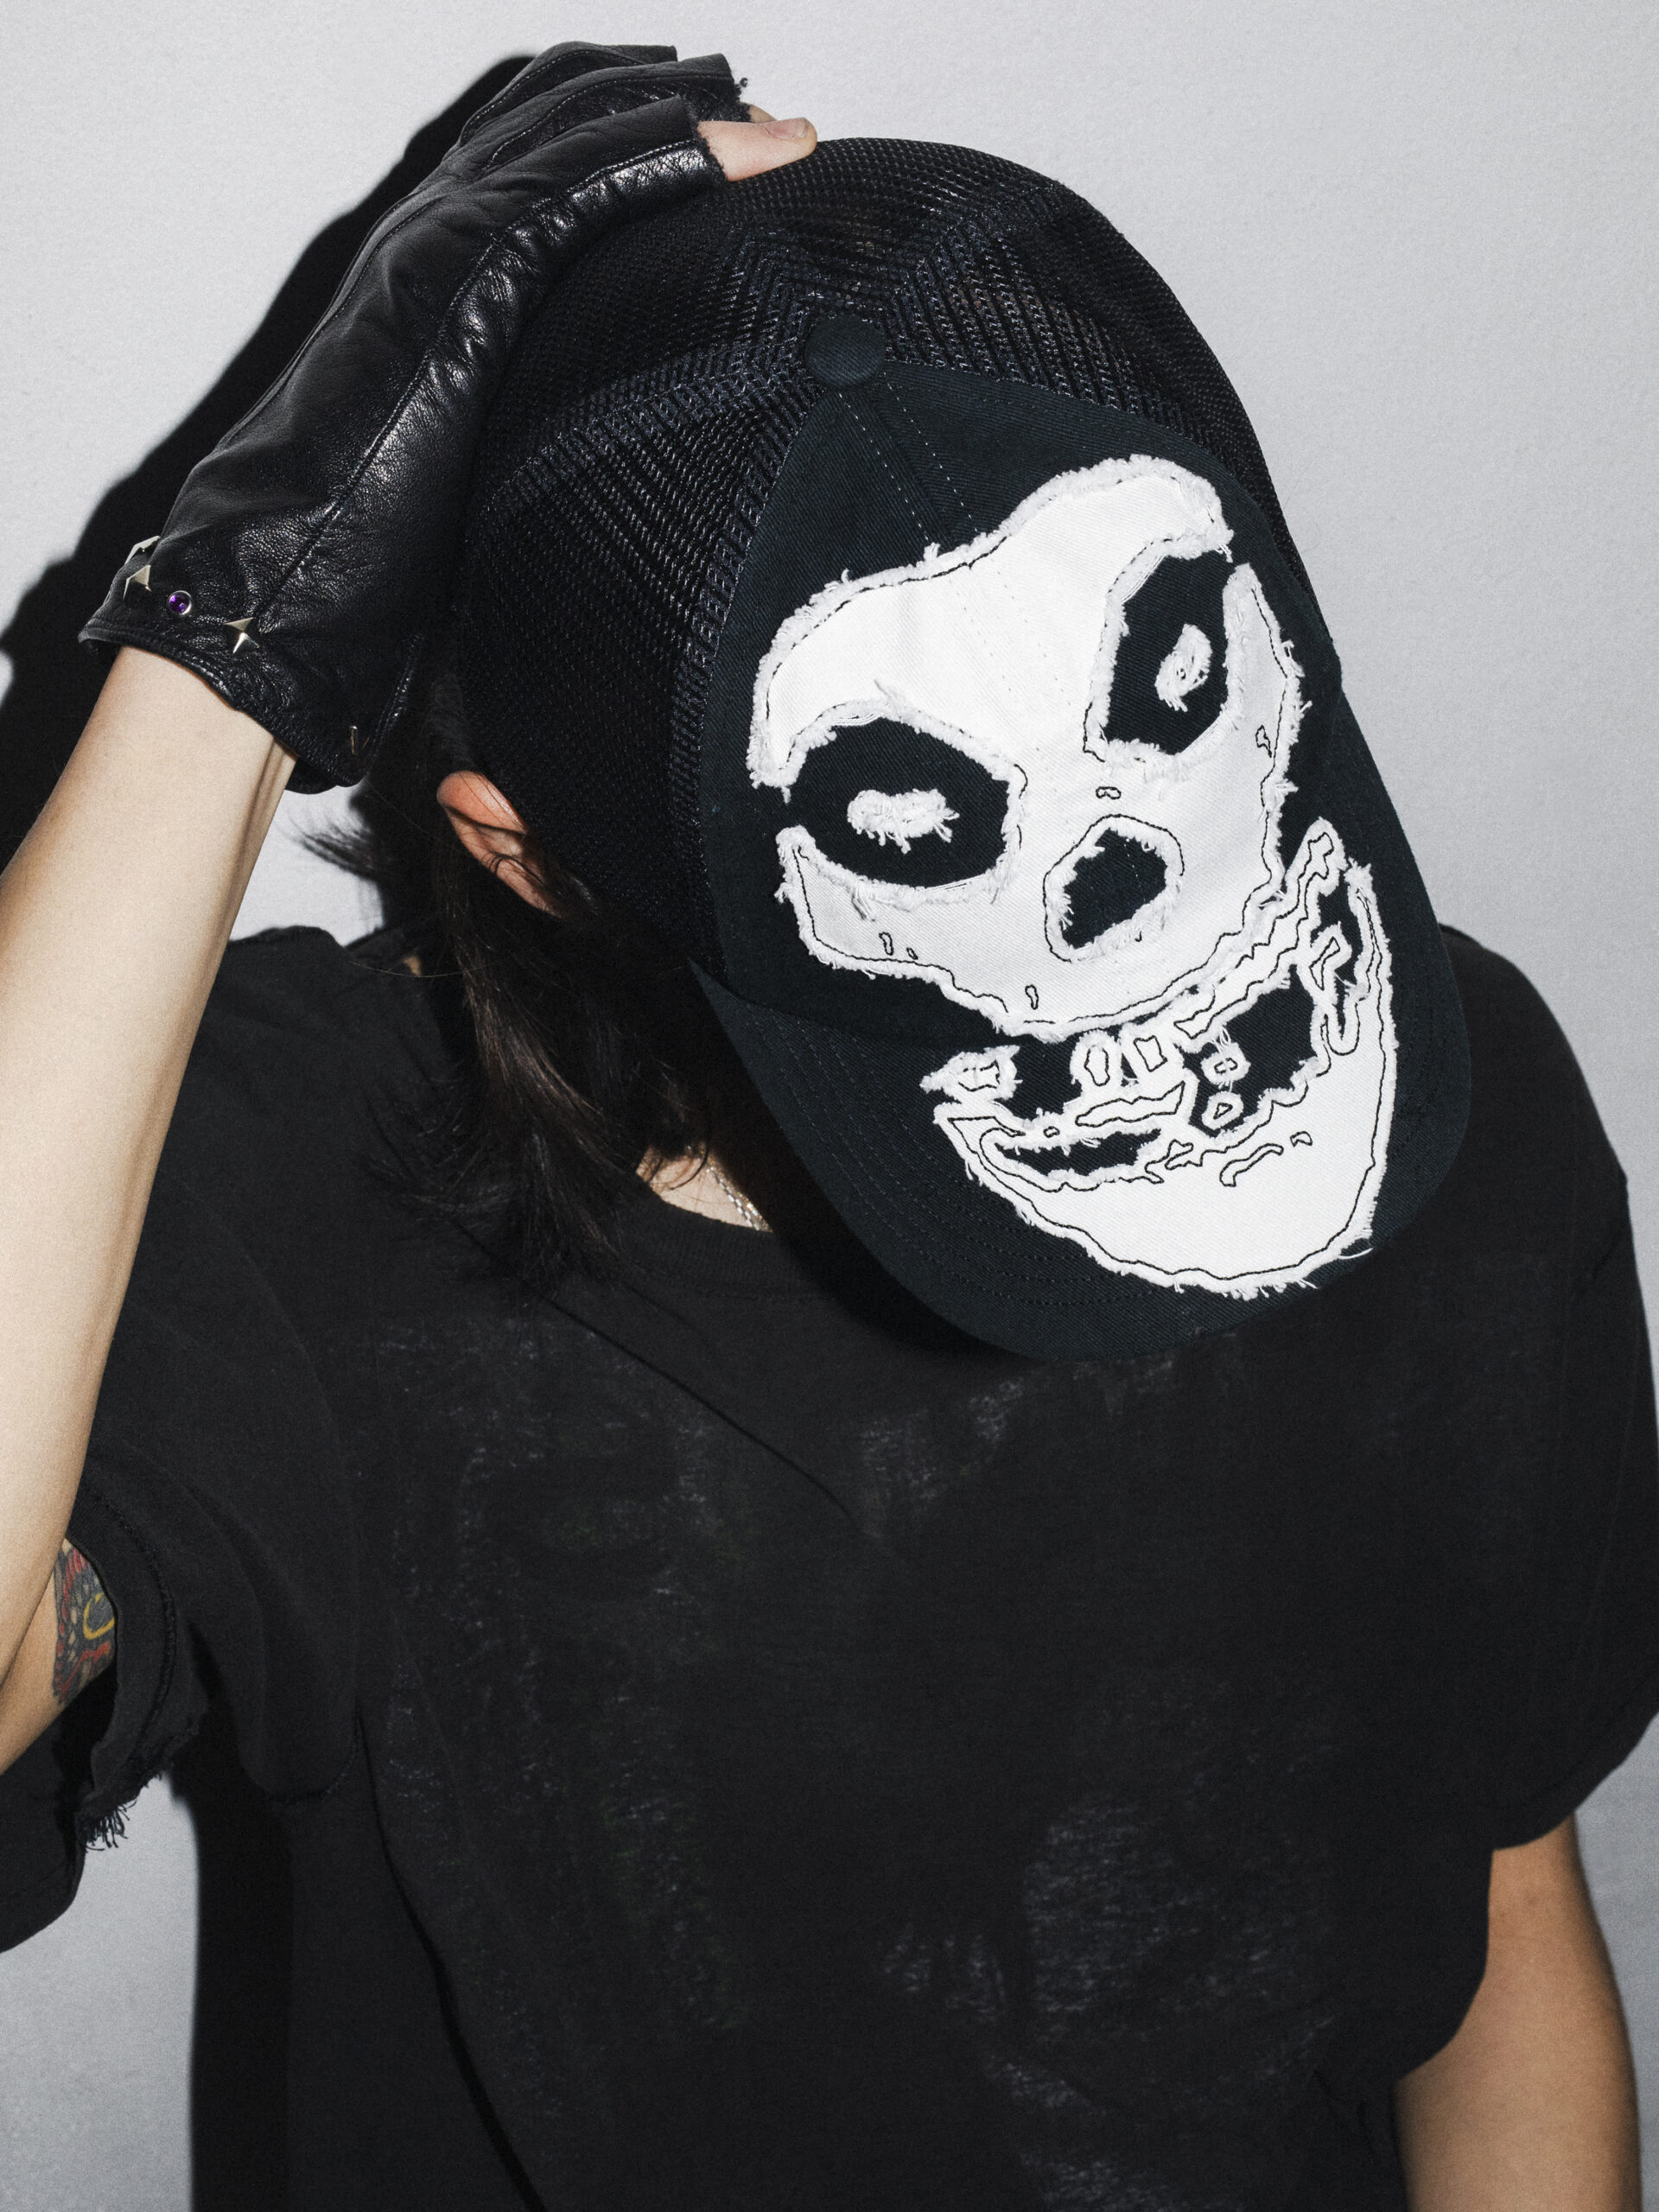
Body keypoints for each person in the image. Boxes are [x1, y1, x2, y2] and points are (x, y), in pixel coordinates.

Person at [0, 38, 1654, 2212]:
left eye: (1172, 674)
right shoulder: (299, 1185)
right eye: (916, 814)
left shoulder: (1422, 1067)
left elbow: (1501, 1898)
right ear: (526, 855)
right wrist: (238, 632)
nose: (1145, 901)